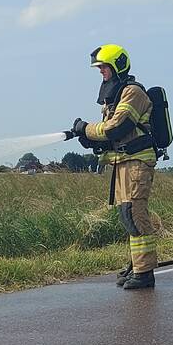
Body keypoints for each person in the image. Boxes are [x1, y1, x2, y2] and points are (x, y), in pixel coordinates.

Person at [70, 45, 158, 289]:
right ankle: (137, 265)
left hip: (137, 162)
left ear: (117, 66)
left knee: (135, 214)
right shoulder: (116, 96)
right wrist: (89, 139)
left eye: (104, 68)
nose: (101, 73)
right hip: (121, 163)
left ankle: (145, 272)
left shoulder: (132, 93)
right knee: (126, 215)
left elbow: (115, 128)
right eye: (99, 69)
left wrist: (86, 129)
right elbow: (110, 135)